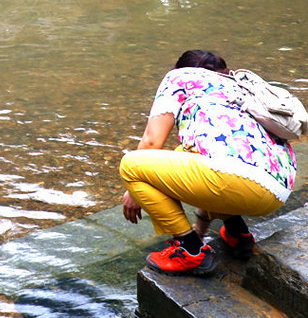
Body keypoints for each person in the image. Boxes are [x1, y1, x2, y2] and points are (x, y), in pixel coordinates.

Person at [119, 49, 297, 276]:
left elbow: (152, 142)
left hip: (238, 183)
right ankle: (237, 232)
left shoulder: (179, 78)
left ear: (181, 68)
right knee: (188, 154)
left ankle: (189, 249)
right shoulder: (235, 85)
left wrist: (133, 191)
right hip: (278, 190)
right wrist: (201, 229)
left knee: (131, 164)